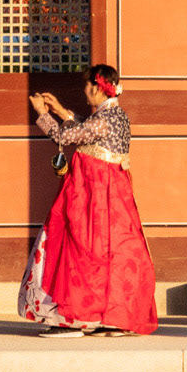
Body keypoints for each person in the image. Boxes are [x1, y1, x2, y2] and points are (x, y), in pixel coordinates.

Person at [17, 63, 159, 338]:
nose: (84, 90)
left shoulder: (103, 120)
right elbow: (86, 128)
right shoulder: (117, 116)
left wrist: (42, 114)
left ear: (97, 87)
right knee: (112, 254)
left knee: (78, 248)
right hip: (112, 198)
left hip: (92, 196)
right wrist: (60, 110)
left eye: (87, 86)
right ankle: (113, 317)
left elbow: (64, 136)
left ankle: (73, 317)